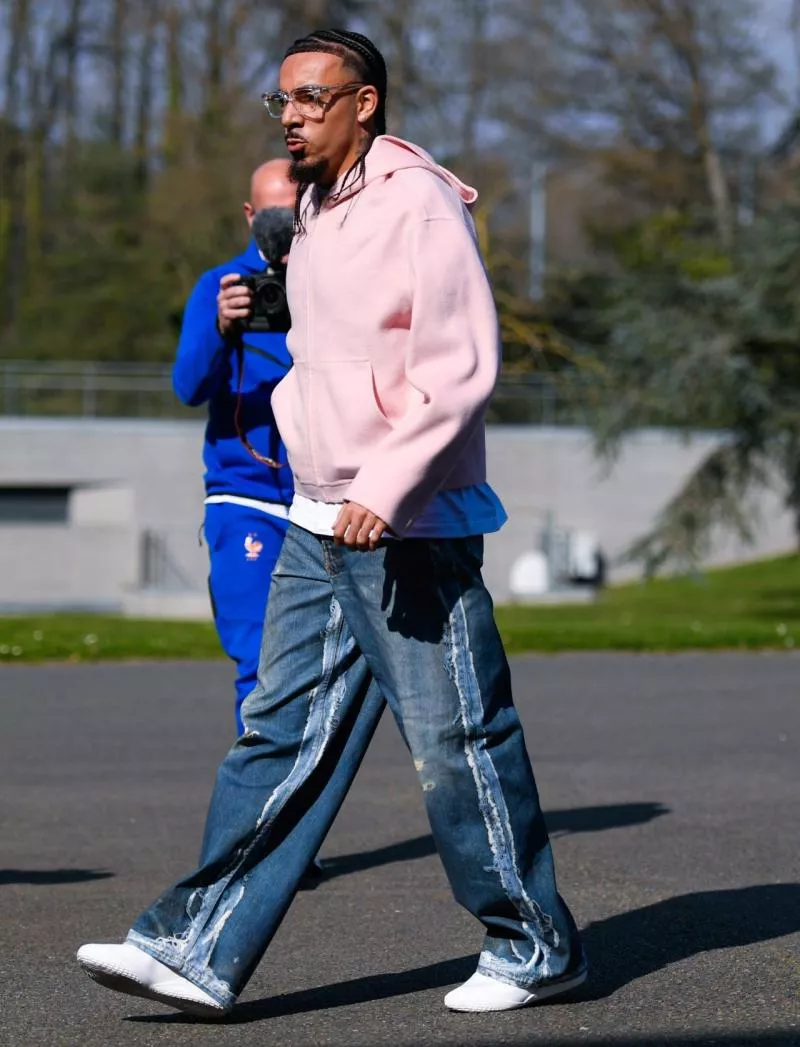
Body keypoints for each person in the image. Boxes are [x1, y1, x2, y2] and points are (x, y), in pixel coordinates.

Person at [77, 28, 586, 1018]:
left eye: (312, 98)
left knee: (456, 740)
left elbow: (458, 367)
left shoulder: (416, 205)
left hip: (409, 523)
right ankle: (199, 946)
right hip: (315, 516)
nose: (293, 115)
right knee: (276, 734)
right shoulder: (309, 211)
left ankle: (534, 944)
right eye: (282, 102)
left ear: (366, 103)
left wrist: (384, 488)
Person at [173, 160, 296, 736]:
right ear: (251, 216)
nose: (283, 226)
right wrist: (225, 329)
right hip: (246, 498)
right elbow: (188, 387)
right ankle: (259, 813)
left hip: (332, 503)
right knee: (258, 665)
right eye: (273, 215)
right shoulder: (221, 288)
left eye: (294, 213)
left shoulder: (340, 287)